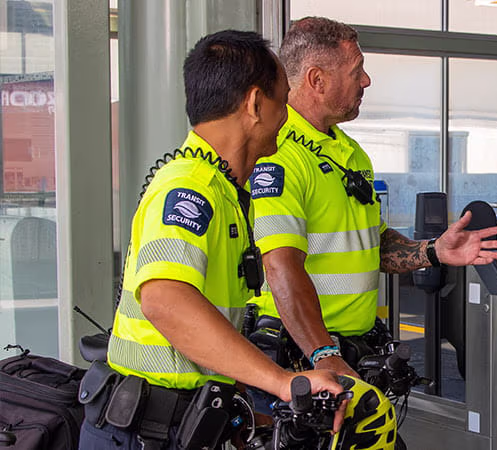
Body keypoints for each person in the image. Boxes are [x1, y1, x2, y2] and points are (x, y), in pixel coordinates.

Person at [79, 30, 346, 449]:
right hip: (144, 432)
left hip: (184, 421)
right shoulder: (190, 188)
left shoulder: (223, 189)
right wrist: (280, 381)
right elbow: (165, 300)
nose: (288, 114)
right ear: (256, 104)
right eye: (283, 99)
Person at [247, 16, 497, 384]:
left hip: (349, 350)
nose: (366, 81)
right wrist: (324, 356)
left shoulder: (349, 152)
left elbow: (372, 241)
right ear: (317, 80)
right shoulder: (279, 154)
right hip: (305, 357)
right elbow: (281, 267)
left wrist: (433, 250)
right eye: (357, 71)